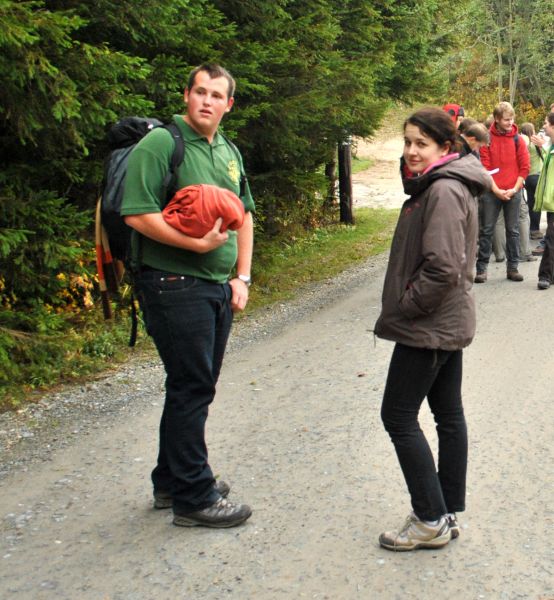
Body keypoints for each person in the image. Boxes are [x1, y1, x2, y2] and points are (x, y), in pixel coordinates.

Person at [121, 63, 255, 528]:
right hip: (172, 282)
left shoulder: (228, 150)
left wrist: (243, 277)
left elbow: (245, 216)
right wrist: (195, 245)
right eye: (200, 92)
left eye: (216, 95)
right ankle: (194, 498)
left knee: (192, 385)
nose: (206, 101)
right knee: (193, 385)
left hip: (218, 286)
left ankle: (170, 480)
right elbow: (136, 214)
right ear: (186, 95)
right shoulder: (161, 144)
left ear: (228, 104)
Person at [374, 107, 492, 551]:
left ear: (446, 147)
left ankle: (428, 517)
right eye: (407, 142)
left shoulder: (443, 190)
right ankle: (444, 510)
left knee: (398, 416)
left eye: (421, 143)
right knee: (448, 415)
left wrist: (406, 308)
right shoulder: (447, 184)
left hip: (429, 325)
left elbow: (442, 268)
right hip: (447, 320)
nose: (410, 152)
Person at [475, 101, 530, 283]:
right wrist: (497, 190)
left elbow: (524, 167)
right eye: (506, 119)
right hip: (492, 192)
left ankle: (513, 268)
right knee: (487, 230)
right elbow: (485, 167)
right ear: (497, 119)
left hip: (513, 191)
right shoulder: (486, 138)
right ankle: (481, 269)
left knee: (512, 230)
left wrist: (514, 189)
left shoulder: (518, 139)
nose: (510, 122)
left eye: (512, 119)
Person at [534, 112, 554, 290]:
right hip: (551, 202)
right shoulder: (551, 146)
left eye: (546, 123)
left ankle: (545, 275)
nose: (544, 126)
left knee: (550, 238)